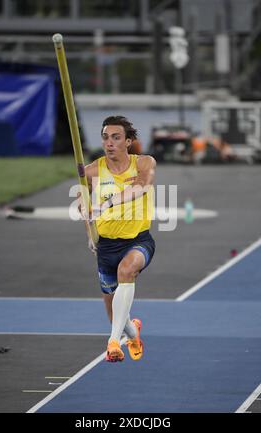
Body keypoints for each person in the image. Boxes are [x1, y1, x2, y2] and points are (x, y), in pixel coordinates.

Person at [79, 115, 156, 363]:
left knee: (127, 269)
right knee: (117, 318)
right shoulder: (91, 171)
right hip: (106, 246)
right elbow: (84, 203)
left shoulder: (143, 163)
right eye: (105, 137)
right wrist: (89, 231)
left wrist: (109, 202)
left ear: (128, 142)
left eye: (115, 137)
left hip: (137, 240)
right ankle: (132, 334)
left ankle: (113, 343)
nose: (109, 142)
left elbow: (141, 187)